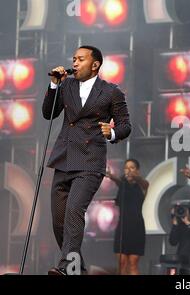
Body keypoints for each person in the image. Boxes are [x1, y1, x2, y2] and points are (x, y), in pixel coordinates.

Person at [43, 45, 131, 275]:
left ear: (95, 65)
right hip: (64, 159)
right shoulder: (66, 86)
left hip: (90, 162)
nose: (74, 63)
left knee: (74, 210)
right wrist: (54, 84)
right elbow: (48, 113)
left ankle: (66, 268)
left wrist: (111, 133)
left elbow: (125, 126)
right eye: (73, 59)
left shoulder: (111, 91)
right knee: (59, 220)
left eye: (80, 59)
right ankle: (77, 269)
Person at [106, 159, 149, 275]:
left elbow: (145, 183)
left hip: (137, 228)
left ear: (137, 170)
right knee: (122, 263)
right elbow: (118, 181)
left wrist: (135, 177)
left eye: (132, 167)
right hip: (123, 228)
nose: (128, 170)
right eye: (126, 168)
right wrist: (111, 176)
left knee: (133, 263)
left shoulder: (142, 185)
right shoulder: (122, 185)